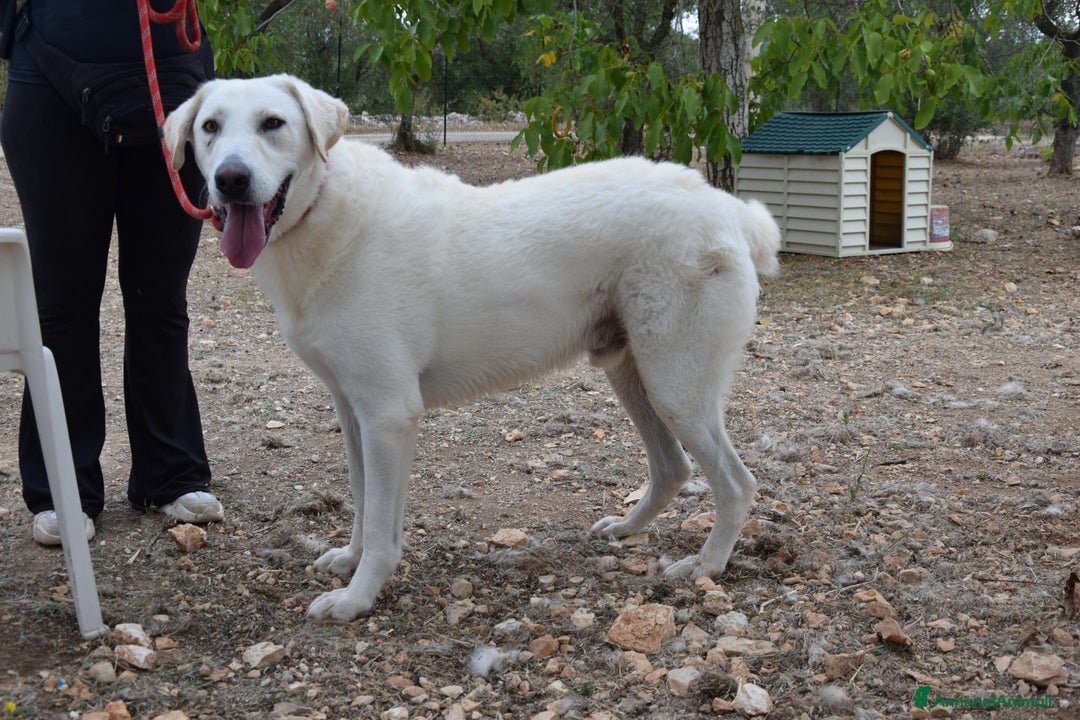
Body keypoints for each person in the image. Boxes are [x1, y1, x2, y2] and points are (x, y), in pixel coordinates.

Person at [1, 0, 223, 546]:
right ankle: (62, 487)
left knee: (160, 296)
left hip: (171, 73)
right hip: (51, 71)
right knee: (62, 303)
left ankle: (169, 475)